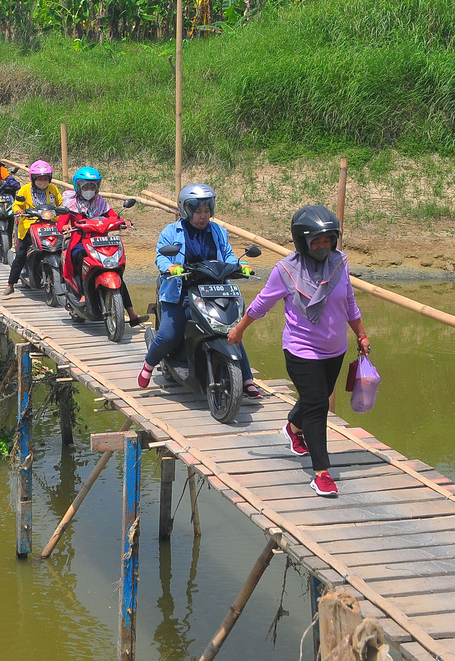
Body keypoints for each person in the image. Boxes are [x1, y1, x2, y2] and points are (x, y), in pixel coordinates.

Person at [228, 205, 371, 497]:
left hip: (336, 350)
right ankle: (322, 473)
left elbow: (349, 303)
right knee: (318, 406)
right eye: (316, 241)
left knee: (312, 401)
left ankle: (293, 429)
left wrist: (361, 334)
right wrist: (240, 328)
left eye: (328, 240)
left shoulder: (339, 263)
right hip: (302, 350)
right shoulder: (286, 271)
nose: (322, 247)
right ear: (302, 241)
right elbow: (261, 304)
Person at [137, 183, 261, 398]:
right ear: (187, 210)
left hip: (214, 290)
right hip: (180, 291)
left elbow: (228, 255)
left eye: (206, 211)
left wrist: (240, 266)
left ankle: (247, 378)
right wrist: (170, 267)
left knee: (230, 327)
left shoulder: (218, 231)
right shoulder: (172, 231)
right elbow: (161, 256)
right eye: (198, 211)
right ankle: (148, 364)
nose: (203, 216)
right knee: (168, 334)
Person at [57, 166, 147, 326]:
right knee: (80, 259)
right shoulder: (71, 203)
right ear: (78, 186)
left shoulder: (100, 202)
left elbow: (113, 217)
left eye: (93, 186)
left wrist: (123, 222)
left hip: (101, 242)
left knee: (115, 271)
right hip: (80, 242)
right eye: (86, 186)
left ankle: (131, 313)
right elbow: (61, 223)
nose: (89, 189)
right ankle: (82, 293)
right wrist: (64, 227)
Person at [4, 159, 62, 294]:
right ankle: (10, 284)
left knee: (62, 249)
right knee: (21, 254)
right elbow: (16, 204)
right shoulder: (25, 190)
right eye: (40, 179)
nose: (43, 182)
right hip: (29, 225)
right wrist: (19, 210)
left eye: (46, 179)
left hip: (51, 225)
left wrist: (63, 210)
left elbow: (61, 203)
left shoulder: (53, 189)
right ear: (33, 179)